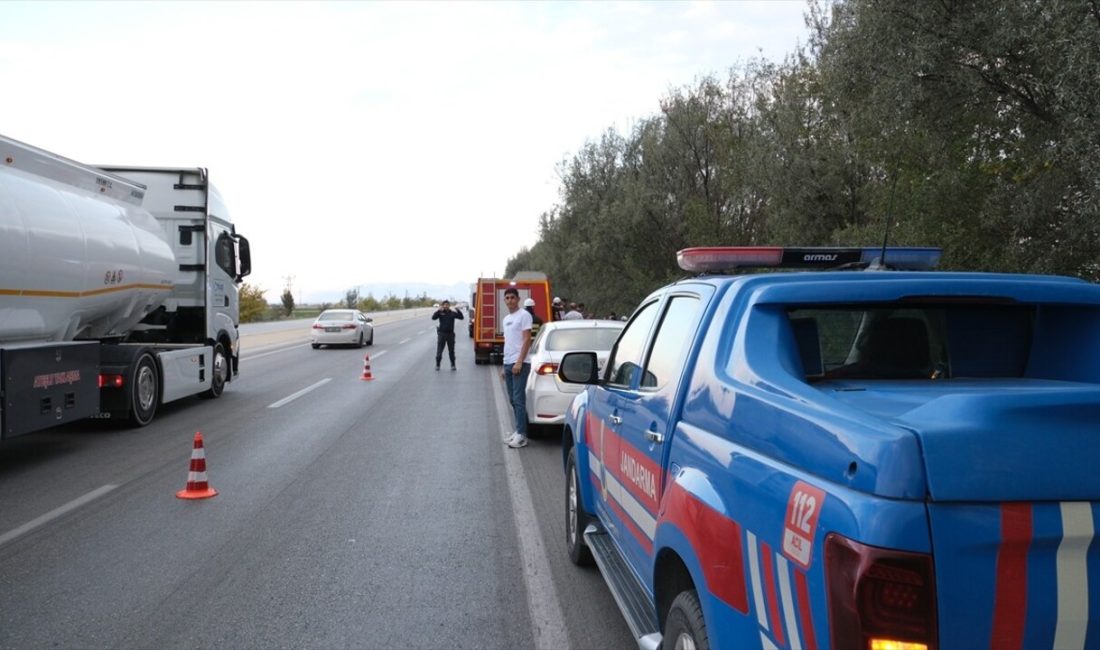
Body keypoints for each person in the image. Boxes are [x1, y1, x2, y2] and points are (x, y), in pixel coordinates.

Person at [501, 287, 533, 448]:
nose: (510, 300)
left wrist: (519, 361)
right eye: (507, 298)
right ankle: (518, 430)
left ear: (518, 299)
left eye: (512, 297)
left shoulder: (524, 316)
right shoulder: (506, 319)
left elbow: (527, 340)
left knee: (519, 400)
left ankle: (522, 435)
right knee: (513, 400)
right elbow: (508, 342)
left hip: (520, 363)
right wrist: (504, 365)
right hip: (508, 362)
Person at [431, 299, 464, 370]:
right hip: (442, 334)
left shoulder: (452, 313)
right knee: (439, 350)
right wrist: (438, 310)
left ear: (449, 306)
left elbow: (461, 317)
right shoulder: (440, 313)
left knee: (451, 351)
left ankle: (453, 365)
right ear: (442, 306)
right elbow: (433, 318)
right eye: (444, 305)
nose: (446, 306)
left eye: (447, 305)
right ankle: (438, 365)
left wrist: (458, 310)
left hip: (450, 335)